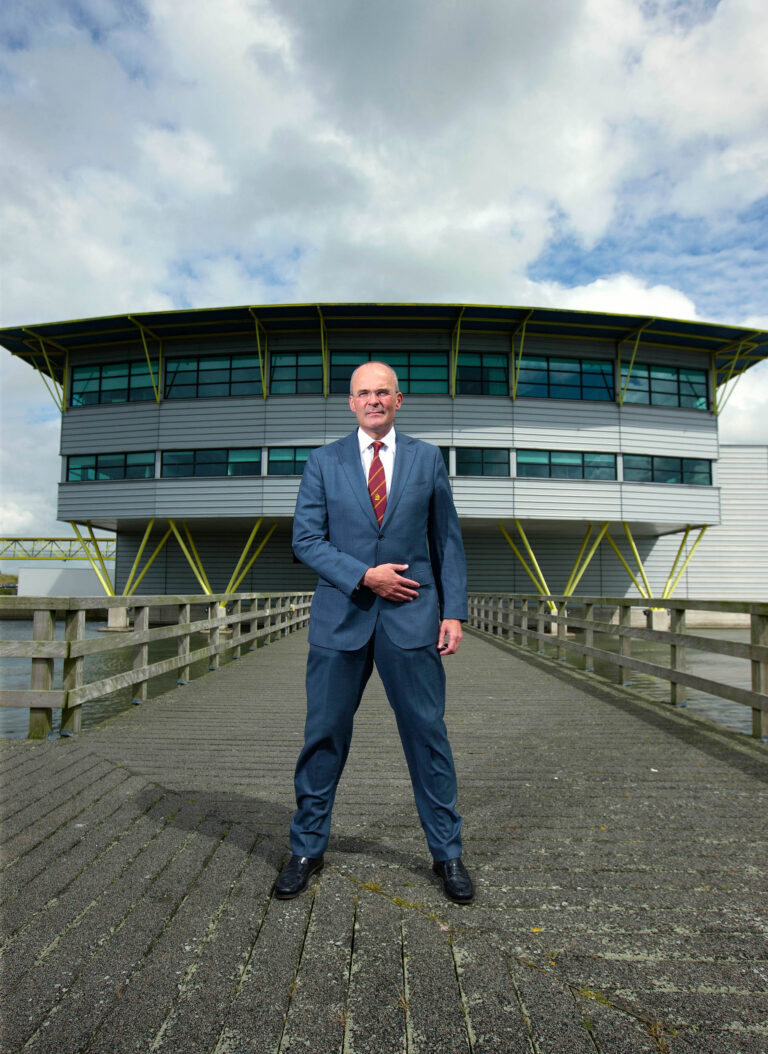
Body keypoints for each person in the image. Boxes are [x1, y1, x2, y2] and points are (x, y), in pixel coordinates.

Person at [274, 360, 474, 904]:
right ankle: (306, 849)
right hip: (342, 618)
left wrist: (451, 612)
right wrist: (364, 576)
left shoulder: (428, 459)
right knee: (324, 737)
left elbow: (446, 542)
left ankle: (448, 854)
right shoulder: (323, 461)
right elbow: (306, 540)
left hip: (414, 618)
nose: (373, 401)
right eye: (364, 393)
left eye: (383, 392)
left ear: (399, 400)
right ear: (351, 402)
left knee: (428, 737)